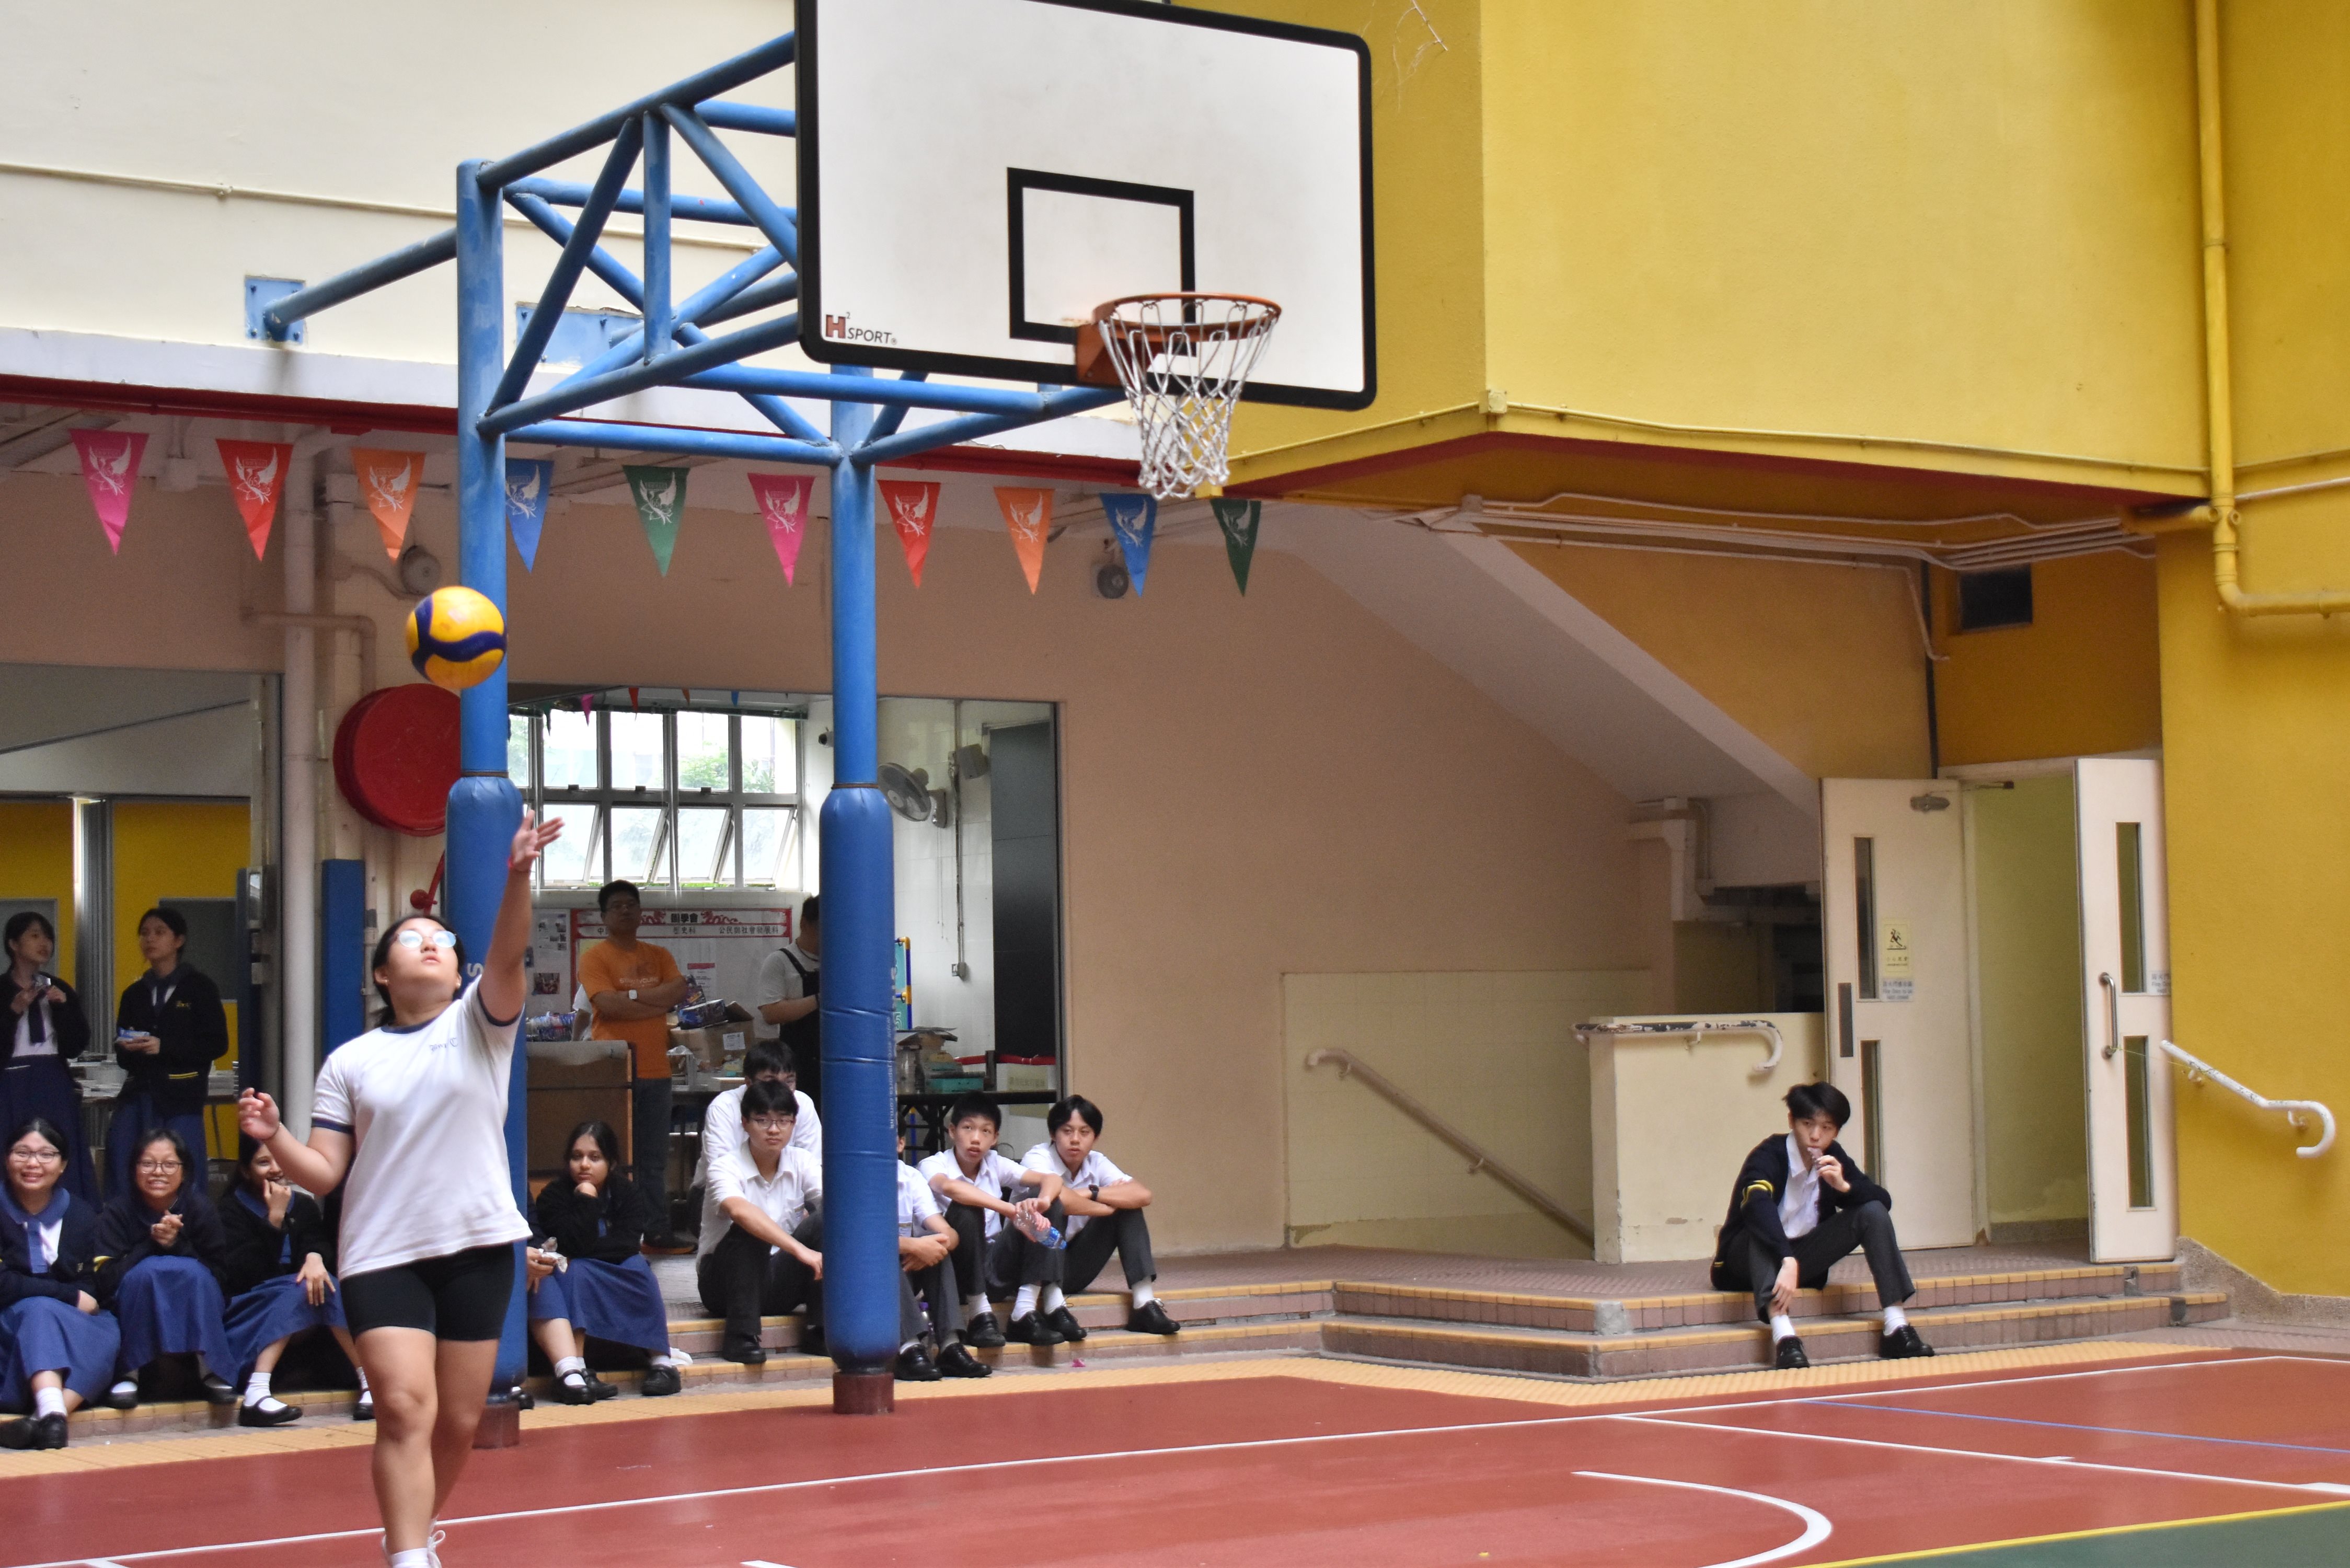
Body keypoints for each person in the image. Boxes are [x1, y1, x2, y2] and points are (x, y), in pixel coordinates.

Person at [237, 808, 560, 1568]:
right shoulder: (350, 1062)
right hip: (383, 1252)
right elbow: (324, 1172)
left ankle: (408, 1530)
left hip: (479, 1244)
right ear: (383, 974)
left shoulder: (481, 1027)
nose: (432, 944)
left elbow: (506, 954)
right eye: (413, 939)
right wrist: (274, 1136)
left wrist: (518, 874)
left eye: (442, 941)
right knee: (405, 1408)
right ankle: (410, 1556)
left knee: (458, 1421)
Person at [1710, 1081, 1934, 1369]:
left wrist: (1844, 1187)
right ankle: (1784, 1336)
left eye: (1827, 1128)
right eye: (1808, 1124)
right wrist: (1786, 1259)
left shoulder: (1833, 1156)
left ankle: (1896, 1326)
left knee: (1872, 1212)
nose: (1816, 1135)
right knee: (1761, 1225)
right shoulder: (1769, 1153)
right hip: (1745, 1262)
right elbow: (1757, 1204)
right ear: (1792, 1121)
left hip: (1800, 1260)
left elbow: (1883, 1200)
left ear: (1836, 1131)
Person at [528, 1121, 683, 1402]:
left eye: (595, 1157)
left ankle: (662, 1362)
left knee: (639, 1267)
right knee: (573, 1271)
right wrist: (587, 1201)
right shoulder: (554, 1195)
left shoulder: (627, 1192)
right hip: (581, 1266)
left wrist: (585, 1250)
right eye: (577, 1157)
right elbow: (569, 1244)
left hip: (616, 1264)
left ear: (611, 1163)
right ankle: (579, 1367)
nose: (584, 1165)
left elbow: (627, 1243)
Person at [1002, 1096, 1177, 1343]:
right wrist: (1105, 1207)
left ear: (1095, 1137)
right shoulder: (1038, 1158)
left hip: (1072, 1268)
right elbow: (1058, 1198)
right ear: (1053, 1134)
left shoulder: (1097, 1161)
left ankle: (1144, 1302)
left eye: (1084, 1132)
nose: (1075, 1139)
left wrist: (1093, 1192)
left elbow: (1143, 1195)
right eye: (1067, 1131)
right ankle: (1052, 1306)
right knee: (1053, 1203)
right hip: (1026, 1268)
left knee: (1130, 1207)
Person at [220, 1133, 364, 1426]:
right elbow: (244, 1273)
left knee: (326, 1283)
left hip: (301, 1312)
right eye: (263, 1162)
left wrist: (314, 1257)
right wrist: (274, 1220)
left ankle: (370, 1383)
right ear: (245, 1170)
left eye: (280, 1160)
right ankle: (256, 1392)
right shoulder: (229, 1210)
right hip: (249, 1312)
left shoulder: (304, 1206)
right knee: (300, 1287)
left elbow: (317, 1244)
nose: (276, 1169)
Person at [578, 880, 692, 1252]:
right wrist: (653, 1002)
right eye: (617, 906)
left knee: (653, 1160)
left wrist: (630, 997)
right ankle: (612, 1231)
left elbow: (678, 992)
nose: (626, 910)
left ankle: (656, 1232)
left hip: (656, 1071)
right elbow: (607, 1006)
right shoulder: (595, 957)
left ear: (641, 912)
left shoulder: (659, 954)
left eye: (632, 904)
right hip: (614, 1072)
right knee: (610, 1157)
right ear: (604, 916)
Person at [93, 1127, 238, 1410]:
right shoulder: (118, 1211)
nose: (158, 1172)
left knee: (194, 1273)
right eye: (148, 1163)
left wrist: (178, 1245)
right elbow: (106, 1279)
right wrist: (151, 1244)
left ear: (185, 1171)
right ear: (134, 1169)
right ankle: (129, 1372)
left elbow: (221, 1275)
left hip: (194, 1296)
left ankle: (210, 1368)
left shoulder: (201, 1209)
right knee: (147, 1273)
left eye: (169, 1164)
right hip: (134, 1300)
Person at [0, 1117, 118, 1449]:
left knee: (108, 1330)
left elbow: (92, 1286)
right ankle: (52, 1415)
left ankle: (46, 1418)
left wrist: (73, 1297)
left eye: (46, 1155)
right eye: (22, 1153)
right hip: (7, 1326)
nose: (33, 1163)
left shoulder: (81, 1215)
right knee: (39, 1311)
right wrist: (67, 1295)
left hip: (61, 1325)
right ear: (7, 1159)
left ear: (64, 1164)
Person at [695, 1079, 825, 1367]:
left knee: (829, 1221)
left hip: (779, 1280)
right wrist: (800, 1250)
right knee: (750, 1229)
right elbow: (740, 1212)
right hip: (723, 1286)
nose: (774, 1129)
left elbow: (837, 1204)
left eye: (783, 1121)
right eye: (763, 1120)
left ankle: (822, 1330)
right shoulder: (724, 1166)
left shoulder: (802, 1161)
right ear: (745, 1123)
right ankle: (741, 1338)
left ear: (794, 1124)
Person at [916, 1093, 1062, 1348]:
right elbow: (950, 1188)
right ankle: (979, 1315)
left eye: (985, 1131)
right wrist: (1011, 1210)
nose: (976, 1139)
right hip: (956, 1274)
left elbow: (1052, 1179)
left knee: (1048, 1204)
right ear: (952, 1131)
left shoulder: (995, 1163)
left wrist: (1042, 1203)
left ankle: (1024, 1312)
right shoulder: (933, 1164)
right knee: (967, 1208)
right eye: (968, 1128)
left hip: (994, 1269)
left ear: (995, 1138)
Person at [109, 907, 231, 1201]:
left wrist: (164, 1047)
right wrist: (127, 1046)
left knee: (180, 1169)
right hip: (139, 1093)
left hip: (181, 1094)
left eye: (159, 932)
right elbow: (123, 1055)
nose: (150, 939)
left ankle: (185, 1224)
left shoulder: (199, 988)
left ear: (178, 940)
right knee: (124, 1159)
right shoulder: (135, 993)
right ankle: (125, 1224)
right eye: (144, 934)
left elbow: (216, 1044)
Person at [3, 912, 97, 1202]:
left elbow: (76, 1045)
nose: (44, 943)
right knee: (13, 1147)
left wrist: (63, 1007)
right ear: (13, 944)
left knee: (57, 1144)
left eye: (48, 937)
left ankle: (69, 1211)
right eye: (34, 936)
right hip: (10, 1082)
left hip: (52, 1078)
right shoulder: (2, 989)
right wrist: (12, 1012)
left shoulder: (59, 989)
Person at [894, 1123, 986, 1379]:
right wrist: (914, 1246)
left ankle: (950, 1346)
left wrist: (934, 1246)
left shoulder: (911, 1178)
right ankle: (909, 1348)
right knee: (884, 1255)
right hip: (870, 1278)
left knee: (936, 1245)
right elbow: (860, 1240)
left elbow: (949, 1233)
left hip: (906, 1272)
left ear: (901, 1144)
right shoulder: (854, 1179)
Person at [691, 1042, 821, 1203]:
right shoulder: (724, 1107)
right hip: (723, 1192)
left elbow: (814, 1165)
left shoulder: (803, 1104)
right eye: (770, 1081)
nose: (780, 1090)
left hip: (787, 1191)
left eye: (789, 1082)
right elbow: (720, 1173)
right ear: (749, 1082)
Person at [753, 896, 821, 1109]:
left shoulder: (842, 961)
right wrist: (819, 999)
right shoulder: (780, 961)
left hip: (835, 1061)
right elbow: (771, 1012)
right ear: (804, 924)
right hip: (797, 1062)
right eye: (823, 928)